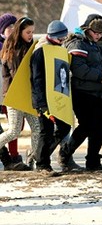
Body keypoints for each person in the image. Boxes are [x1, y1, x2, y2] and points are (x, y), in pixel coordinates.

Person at [62, 14, 102, 171]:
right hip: (81, 92)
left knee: (100, 129)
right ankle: (65, 154)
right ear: (87, 29)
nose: (98, 36)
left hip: (97, 92)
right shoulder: (77, 43)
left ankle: (93, 161)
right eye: (95, 32)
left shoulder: (97, 45)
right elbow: (78, 68)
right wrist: (99, 76)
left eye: (101, 33)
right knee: (86, 125)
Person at [30, 20, 72, 173]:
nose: (63, 41)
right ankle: (42, 165)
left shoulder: (58, 49)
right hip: (44, 100)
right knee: (45, 130)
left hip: (57, 98)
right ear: (52, 36)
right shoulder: (41, 51)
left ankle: (40, 155)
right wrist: (42, 103)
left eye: (64, 38)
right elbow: (37, 79)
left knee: (64, 126)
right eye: (61, 38)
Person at [0, 16, 37, 171]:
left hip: (28, 96)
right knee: (14, 130)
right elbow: (17, 74)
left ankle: (33, 158)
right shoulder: (12, 49)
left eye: (32, 32)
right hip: (14, 96)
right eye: (28, 32)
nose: (31, 35)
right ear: (19, 32)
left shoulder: (30, 46)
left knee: (37, 128)